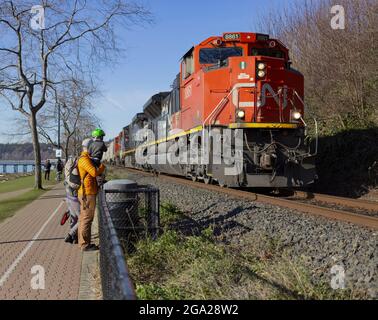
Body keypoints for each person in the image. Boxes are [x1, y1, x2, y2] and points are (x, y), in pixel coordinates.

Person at [77, 138, 105, 251]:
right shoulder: (84, 159)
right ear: (89, 147)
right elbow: (94, 172)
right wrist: (102, 167)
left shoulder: (86, 158)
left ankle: (84, 243)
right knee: (87, 219)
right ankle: (84, 245)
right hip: (87, 193)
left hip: (88, 192)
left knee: (84, 218)